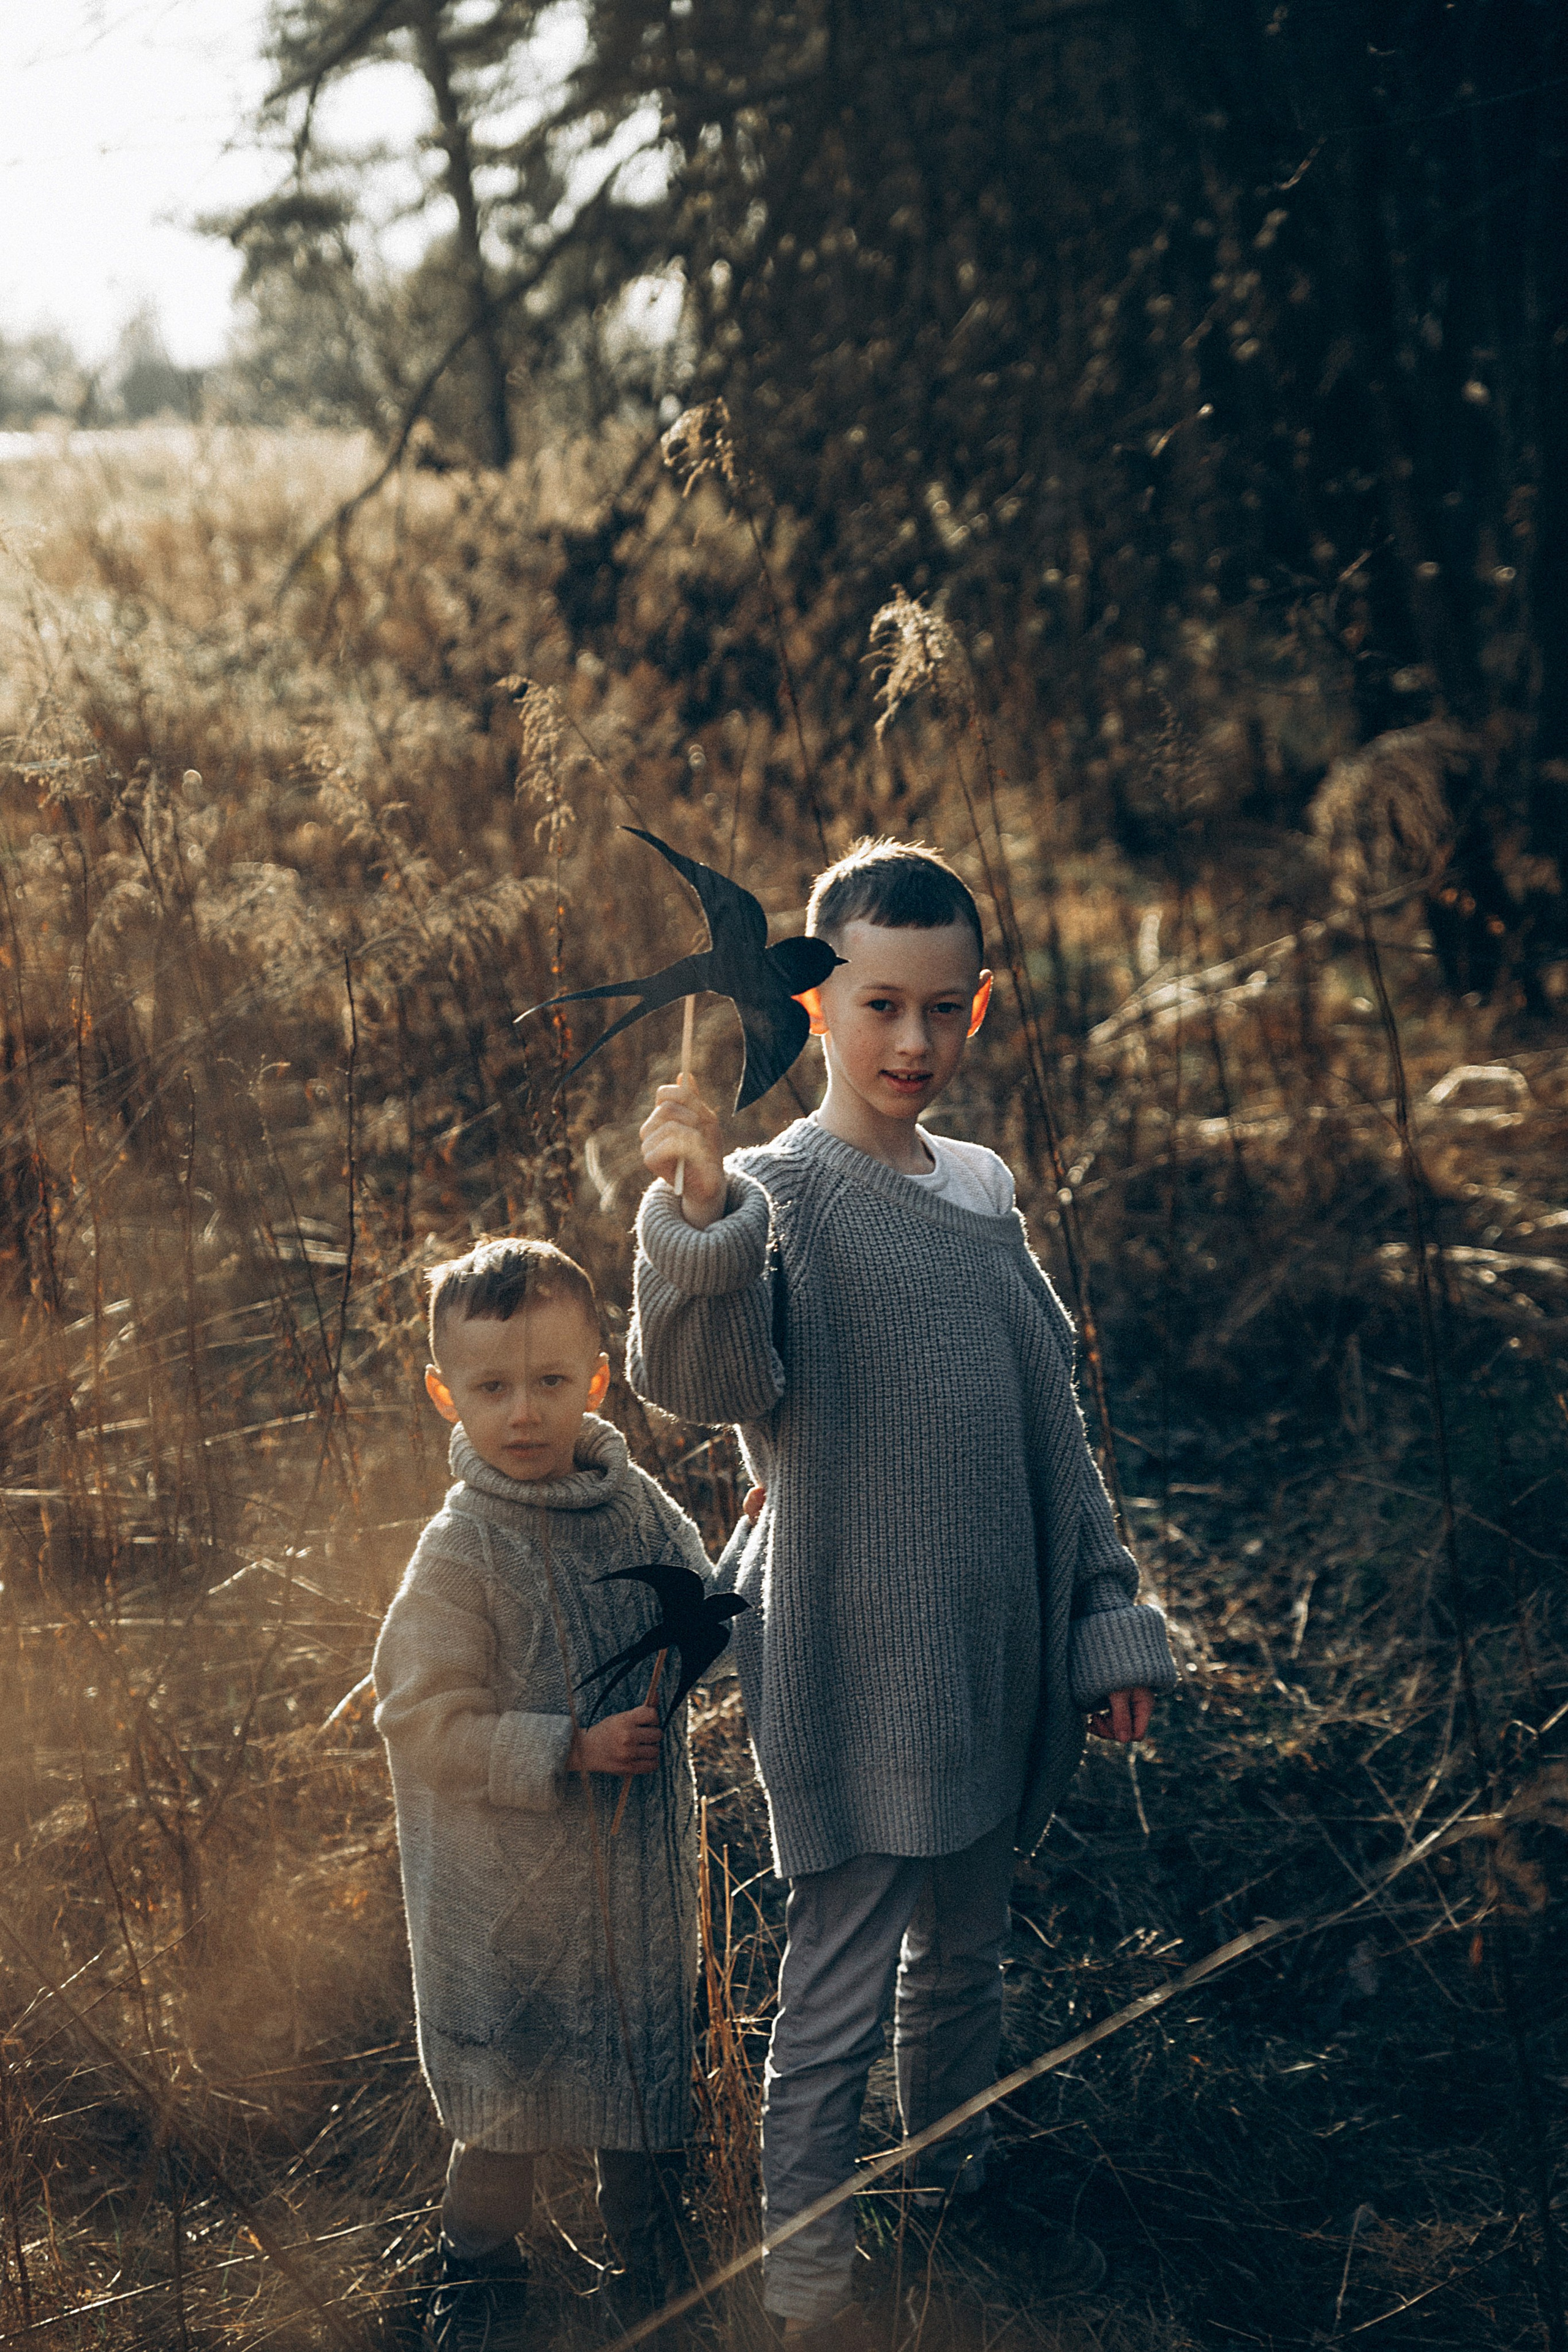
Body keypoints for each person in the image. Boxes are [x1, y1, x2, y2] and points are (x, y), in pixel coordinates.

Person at [630, 839, 1177, 2345]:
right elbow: (704, 1386)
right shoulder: (771, 1193)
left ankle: (951, 2192)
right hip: (852, 1656)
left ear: (980, 1006)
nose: (913, 1043)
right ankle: (803, 2279)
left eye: (944, 1009)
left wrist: (1101, 1612)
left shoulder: (981, 1189)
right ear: (814, 1006)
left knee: (967, 1951)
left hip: (993, 1643)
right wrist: (693, 1232)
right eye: (879, 1006)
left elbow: (1047, 1429)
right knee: (837, 1984)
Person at [373, 1236, 714, 2352]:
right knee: (503, 2119)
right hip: (503, 1907)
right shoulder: (460, 1548)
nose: (524, 1413)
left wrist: (752, 1556)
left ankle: (656, 2287)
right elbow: (420, 1723)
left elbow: (695, 1619)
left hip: (629, 1899)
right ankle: (477, 2282)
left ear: (598, 1380)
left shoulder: (636, 1508)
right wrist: (566, 1747)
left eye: (551, 1383)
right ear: (445, 1394)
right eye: (491, 1388)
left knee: (639, 2106)